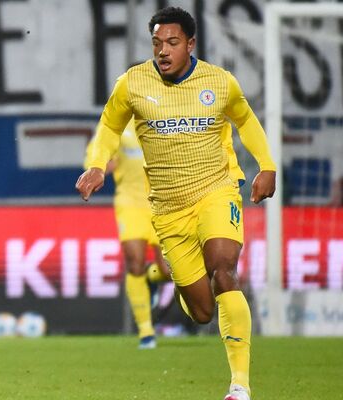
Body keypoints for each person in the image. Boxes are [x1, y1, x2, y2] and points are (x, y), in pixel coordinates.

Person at [75, 7, 276, 400]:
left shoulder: (219, 83)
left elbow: (246, 120)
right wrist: (97, 165)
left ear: (190, 44)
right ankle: (172, 277)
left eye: (172, 42)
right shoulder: (133, 83)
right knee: (202, 312)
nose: (163, 51)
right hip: (167, 209)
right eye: (156, 43)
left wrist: (266, 166)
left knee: (223, 270)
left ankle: (239, 385)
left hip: (216, 191)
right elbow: (110, 125)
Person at [85, 120, 170, 350]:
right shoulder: (118, 122)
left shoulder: (162, 116)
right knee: (135, 263)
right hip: (130, 203)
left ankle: (152, 279)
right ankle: (146, 332)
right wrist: (103, 165)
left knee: (169, 270)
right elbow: (95, 154)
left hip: (163, 204)